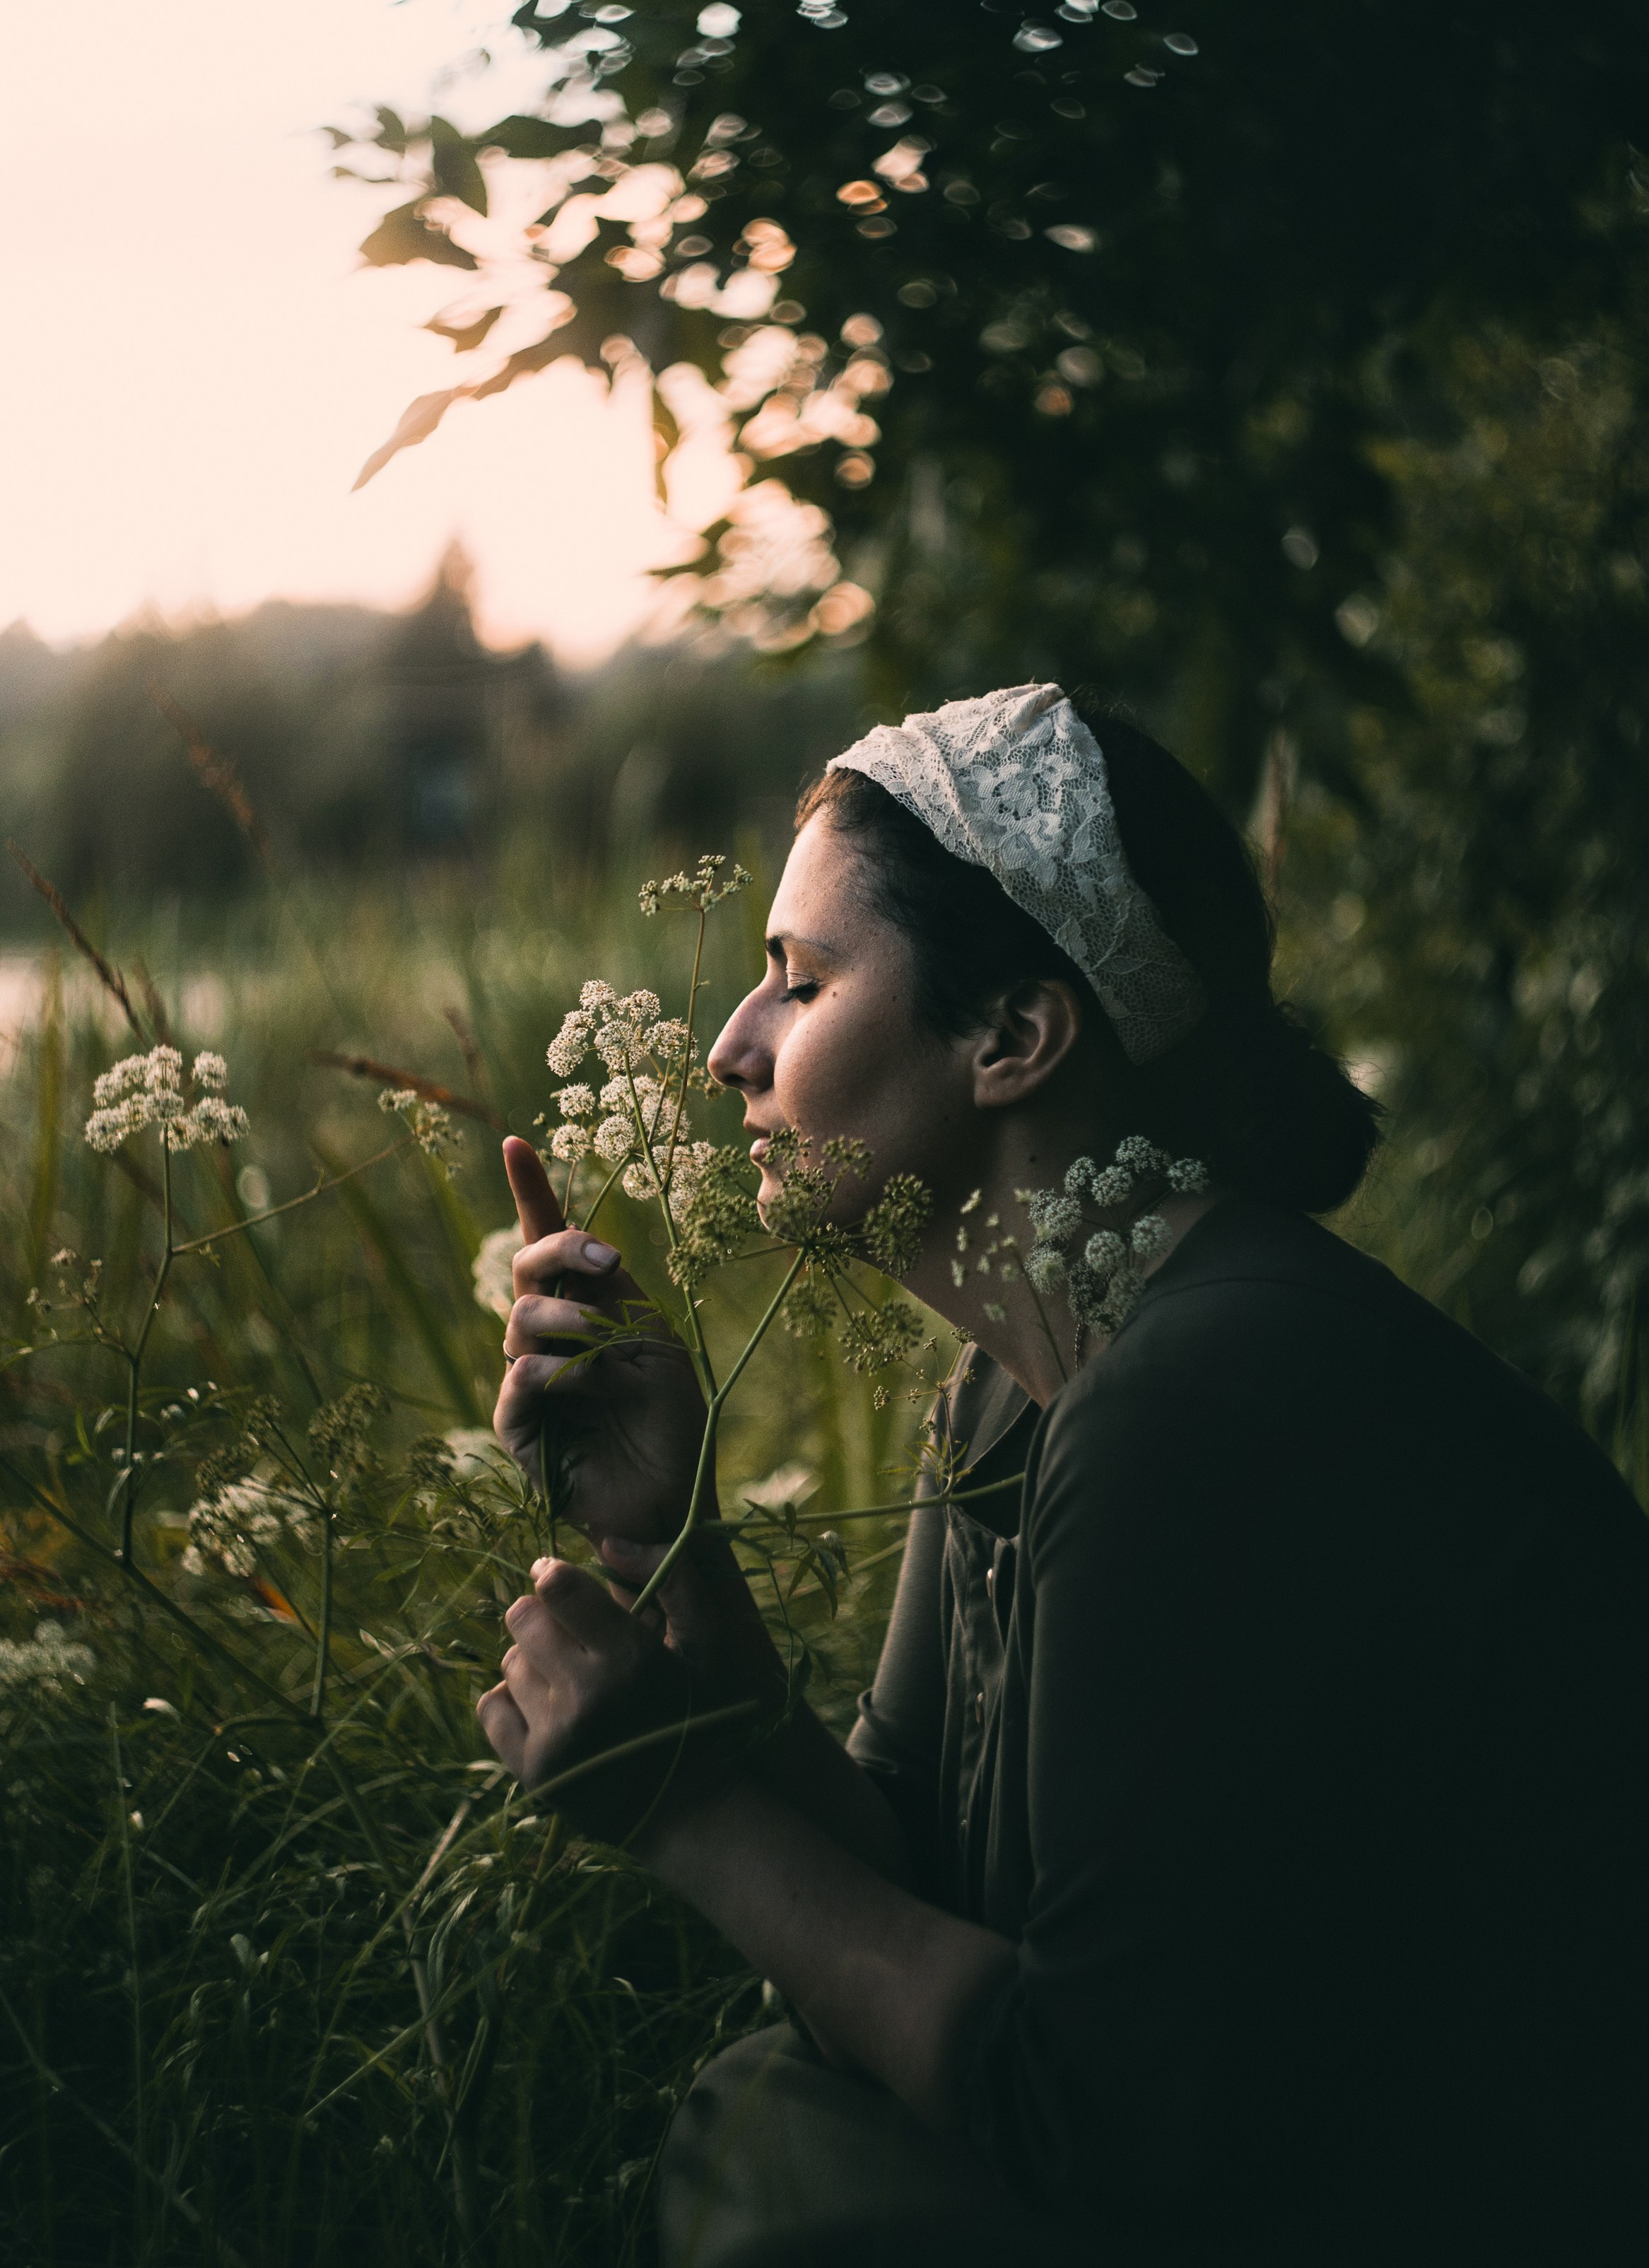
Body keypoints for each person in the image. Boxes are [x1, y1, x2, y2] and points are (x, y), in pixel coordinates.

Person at [479, 684, 1649, 2266]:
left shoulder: (1203, 1396)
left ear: (1016, 1037)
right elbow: (916, 1863)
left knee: (791, 2158)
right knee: (778, 2117)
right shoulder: (1019, 1388)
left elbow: (1099, 2117)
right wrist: (677, 1535)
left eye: (802, 982)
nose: (727, 1047)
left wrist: (679, 1808)